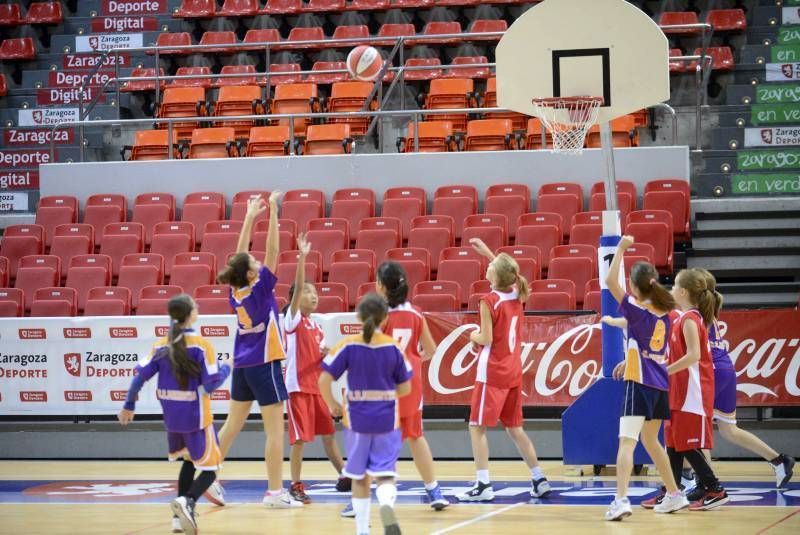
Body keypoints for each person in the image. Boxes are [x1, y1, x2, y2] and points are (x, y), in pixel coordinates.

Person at [216, 192, 302, 508]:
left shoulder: (235, 290)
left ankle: (206, 474)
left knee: (231, 425)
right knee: (274, 431)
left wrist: (250, 217)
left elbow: (239, 256)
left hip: (243, 364)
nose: (257, 259)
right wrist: (274, 211)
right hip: (265, 362)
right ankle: (275, 493)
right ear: (252, 274)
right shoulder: (260, 289)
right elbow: (275, 249)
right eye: (254, 263)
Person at [118, 294, 231, 535]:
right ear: (190, 314)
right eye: (196, 306)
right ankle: (187, 501)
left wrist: (129, 405)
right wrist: (226, 368)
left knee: (189, 461)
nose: (198, 308)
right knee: (212, 468)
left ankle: (178, 520)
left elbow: (139, 378)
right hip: (197, 418)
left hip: (172, 419)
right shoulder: (202, 345)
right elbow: (210, 385)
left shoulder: (161, 345)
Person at [456, 238, 551, 503]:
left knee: (476, 427)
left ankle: (483, 485)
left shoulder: (488, 301)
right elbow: (510, 271)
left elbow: (485, 338)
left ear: (495, 276)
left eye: (489, 267)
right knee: (515, 428)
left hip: (493, 371)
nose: (486, 269)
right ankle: (539, 478)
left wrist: (471, 334)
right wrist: (489, 252)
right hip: (512, 369)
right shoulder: (517, 293)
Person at [602, 235, 688, 521]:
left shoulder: (639, 309)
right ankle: (675, 494)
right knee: (652, 442)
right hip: (660, 383)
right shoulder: (666, 311)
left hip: (639, 382)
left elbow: (611, 284)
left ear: (636, 286)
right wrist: (618, 325)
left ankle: (621, 499)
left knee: (627, 442)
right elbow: (642, 334)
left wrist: (620, 250)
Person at [319, 293, 413, 535]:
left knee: (359, 477)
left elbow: (324, 379)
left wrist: (333, 404)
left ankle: (362, 530)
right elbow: (406, 387)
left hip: (356, 418)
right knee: (384, 474)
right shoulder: (394, 347)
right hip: (386, 418)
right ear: (385, 319)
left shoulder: (348, 345)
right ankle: (385, 504)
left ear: (359, 317)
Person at [696, 268, 795, 489]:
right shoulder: (708, 307)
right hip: (725, 369)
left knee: (698, 428)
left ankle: (705, 483)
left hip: (709, 371)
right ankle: (779, 461)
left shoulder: (694, 312)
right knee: (728, 429)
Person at [374, 261, 449, 510]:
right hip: (411, 381)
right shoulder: (417, 313)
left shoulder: (380, 315)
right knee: (416, 437)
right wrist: (414, 360)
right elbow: (431, 349)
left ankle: (365, 499)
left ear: (381, 287)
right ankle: (434, 491)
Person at [283, 233, 348, 504]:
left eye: (316, 293)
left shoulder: (317, 325)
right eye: (309, 292)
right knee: (299, 440)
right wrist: (302, 258)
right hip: (298, 387)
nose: (313, 296)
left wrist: (328, 355)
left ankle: (344, 475)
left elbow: (321, 359)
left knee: (330, 434)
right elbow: (297, 289)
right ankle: (295, 485)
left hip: (316, 389)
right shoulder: (292, 319)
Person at [666, 268, 729, 511]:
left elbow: (693, 356)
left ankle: (715, 488)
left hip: (693, 391)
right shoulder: (682, 318)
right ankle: (673, 491)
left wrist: (666, 370)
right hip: (679, 389)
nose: (671, 289)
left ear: (682, 291)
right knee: (674, 442)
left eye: (673, 286)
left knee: (685, 443)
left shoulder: (691, 319)